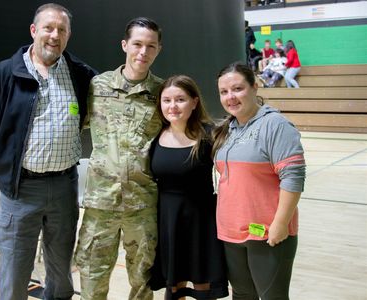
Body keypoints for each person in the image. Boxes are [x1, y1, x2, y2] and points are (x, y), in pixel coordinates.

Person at [0, 3, 97, 300]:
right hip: (21, 189)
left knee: (61, 274)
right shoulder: (7, 72)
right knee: (15, 275)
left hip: (65, 188)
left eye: (61, 30)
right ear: (33, 31)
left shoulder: (81, 74)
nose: (54, 35)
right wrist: (6, 169)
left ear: (68, 36)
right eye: (48, 28)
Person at [74, 17, 163, 300]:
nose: (143, 52)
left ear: (158, 49)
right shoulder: (96, 87)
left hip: (143, 204)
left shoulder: (163, 93)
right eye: (137, 44)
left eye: (150, 46)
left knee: (143, 282)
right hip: (101, 203)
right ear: (125, 45)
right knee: (92, 278)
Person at [213, 62, 306, 299]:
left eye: (237, 89)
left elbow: (293, 178)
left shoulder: (275, 125)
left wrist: (280, 223)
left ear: (255, 87)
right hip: (231, 232)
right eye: (224, 92)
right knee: (243, 296)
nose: (230, 97)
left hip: (267, 233)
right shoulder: (228, 128)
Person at [148, 75, 229, 299]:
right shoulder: (154, 136)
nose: (173, 106)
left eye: (180, 99)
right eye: (167, 100)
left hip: (201, 221)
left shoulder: (210, 135)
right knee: (174, 286)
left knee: (202, 284)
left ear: (194, 102)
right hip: (167, 221)